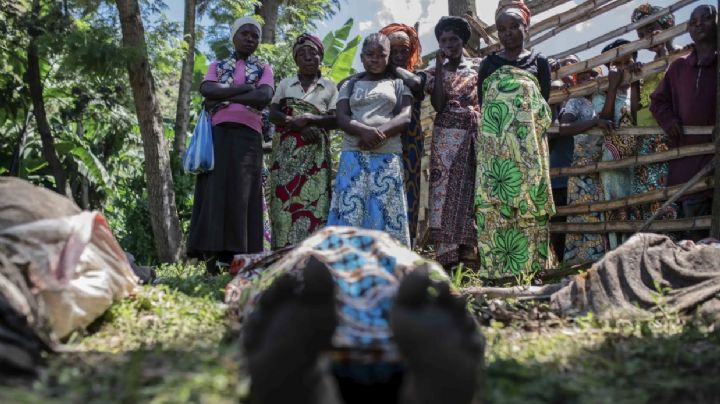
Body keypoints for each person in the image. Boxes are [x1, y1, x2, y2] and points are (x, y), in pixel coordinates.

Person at [225, 226, 483, 404]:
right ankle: (419, 386)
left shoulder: (298, 251)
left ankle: (309, 383)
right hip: (392, 275)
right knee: (417, 282)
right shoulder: (388, 243)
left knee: (293, 283)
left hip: (318, 265)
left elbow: (247, 275)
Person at [474, 0, 554, 280]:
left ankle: (532, 269)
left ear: (525, 27)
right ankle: (497, 272)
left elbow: (542, 108)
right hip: (495, 152)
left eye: (513, 27)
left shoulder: (539, 63)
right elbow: (485, 107)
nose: (507, 33)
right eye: (501, 28)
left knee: (528, 203)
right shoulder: (488, 65)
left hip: (528, 150)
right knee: (496, 205)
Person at [188, 16, 274, 274]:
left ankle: (239, 260)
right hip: (218, 136)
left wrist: (225, 93)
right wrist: (243, 89)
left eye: (255, 35)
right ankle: (211, 260)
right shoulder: (217, 64)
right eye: (245, 34)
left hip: (249, 138)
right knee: (215, 192)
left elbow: (264, 96)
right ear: (234, 36)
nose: (250, 39)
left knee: (244, 195)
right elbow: (207, 89)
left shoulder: (264, 67)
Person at [327, 33, 413, 246]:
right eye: (369, 54)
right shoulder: (350, 85)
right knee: (351, 208)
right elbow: (342, 117)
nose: (375, 59)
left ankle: (389, 264)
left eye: (381, 55)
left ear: (388, 56)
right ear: (362, 57)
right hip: (353, 154)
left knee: (386, 208)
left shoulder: (399, 84)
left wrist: (378, 133)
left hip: (387, 154)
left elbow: (405, 116)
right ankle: (346, 262)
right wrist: (364, 131)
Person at [651, 4, 717, 240]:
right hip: (687, 160)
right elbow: (658, 101)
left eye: (707, 18)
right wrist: (669, 121)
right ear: (688, 28)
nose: (699, 24)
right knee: (691, 229)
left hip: (713, 154)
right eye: (694, 20)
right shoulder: (679, 67)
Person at [268, 33, 338, 249]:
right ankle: (282, 253)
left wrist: (309, 119)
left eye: (313, 52)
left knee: (315, 202)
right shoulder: (286, 84)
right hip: (286, 155)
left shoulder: (329, 87)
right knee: (283, 201)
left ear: (321, 57)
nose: (308, 57)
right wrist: (293, 121)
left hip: (315, 157)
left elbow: (335, 119)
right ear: (295, 59)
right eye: (302, 53)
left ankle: (313, 255)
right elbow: (272, 113)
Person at [424, 16, 481, 268]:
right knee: (443, 192)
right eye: (443, 40)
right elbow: (437, 104)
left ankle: (469, 254)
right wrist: (438, 67)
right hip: (445, 136)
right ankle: (447, 258)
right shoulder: (433, 71)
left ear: (463, 41)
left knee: (471, 190)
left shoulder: (479, 67)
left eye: (453, 39)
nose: (448, 44)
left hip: (473, 134)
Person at [557, 67, 615, 264]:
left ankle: (599, 261)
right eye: (583, 76)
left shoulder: (597, 100)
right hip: (582, 166)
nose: (589, 79)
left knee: (599, 215)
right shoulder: (576, 101)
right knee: (584, 216)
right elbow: (563, 128)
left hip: (601, 165)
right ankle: (581, 264)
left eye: (593, 75)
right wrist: (594, 122)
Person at [629, 4, 679, 221]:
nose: (646, 36)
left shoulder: (681, 57)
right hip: (646, 143)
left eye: (650, 29)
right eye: (641, 33)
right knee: (648, 201)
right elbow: (636, 111)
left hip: (671, 138)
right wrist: (633, 80)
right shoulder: (646, 70)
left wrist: (663, 52)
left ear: (666, 24)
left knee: (672, 199)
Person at [379, 24, 426, 244]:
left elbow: (416, 85)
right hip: (382, 140)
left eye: (403, 50)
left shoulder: (415, 75)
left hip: (410, 142)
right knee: (383, 193)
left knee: (410, 193)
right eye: (393, 50)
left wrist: (392, 67)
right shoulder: (375, 78)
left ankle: (408, 245)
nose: (399, 55)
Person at [595, 39, 639, 250]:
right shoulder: (601, 92)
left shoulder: (635, 90)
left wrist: (637, 80)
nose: (622, 69)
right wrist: (612, 87)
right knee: (614, 208)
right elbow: (605, 119)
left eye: (626, 63)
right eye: (617, 65)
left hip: (636, 159)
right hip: (611, 159)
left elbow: (639, 116)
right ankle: (615, 255)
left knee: (635, 206)